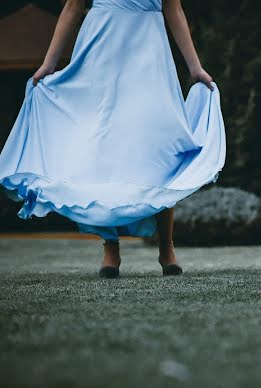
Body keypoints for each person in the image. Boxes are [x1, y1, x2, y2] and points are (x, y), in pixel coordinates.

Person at [0, 0, 226, 278]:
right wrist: (48, 64)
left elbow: (173, 8)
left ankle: (166, 245)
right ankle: (111, 248)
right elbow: (72, 7)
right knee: (103, 147)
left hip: (149, 52)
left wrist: (195, 68)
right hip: (101, 48)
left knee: (161, 144)